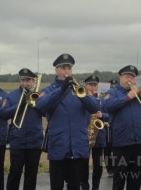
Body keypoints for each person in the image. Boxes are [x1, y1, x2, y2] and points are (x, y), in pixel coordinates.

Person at [36, 53, 100, 190]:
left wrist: (81, 94)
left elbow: (94, 107)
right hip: (58, 145)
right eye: (63, 68)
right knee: (57, 186)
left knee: (75, 186)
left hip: (78, 145)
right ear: (56, 70)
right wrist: (61, 89)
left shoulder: (80, 90)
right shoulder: (48, 90)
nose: (66, 71)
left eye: (69, 68)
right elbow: (40, 106)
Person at [103, 65, 141, 190]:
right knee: (120, 177)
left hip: (138, 140)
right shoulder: (112, 92)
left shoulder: (138, 93)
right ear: (120, 78)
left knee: (136, 176)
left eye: (132, 77)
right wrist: (128, 97)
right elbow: (107, 106)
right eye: (127, 77)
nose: (130, 80)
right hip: (121, 142)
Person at [0, 68, 43, 190]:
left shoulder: (39, 95)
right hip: (17, 140)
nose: (25, 83)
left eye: (28, 80)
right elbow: (3, 113)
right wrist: (21, 104)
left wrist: (38, 101)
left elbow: (46, 113)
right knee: (14, 173)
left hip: (35, 141)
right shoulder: (11, 95)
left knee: (31, 176)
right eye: (22, 80)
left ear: (33, 81)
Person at [80, 75, 108, 190]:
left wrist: (103, 116)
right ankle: (85, 186)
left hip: (98, 135)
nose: (92, 87)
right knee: (83, 164)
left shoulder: (102, 99)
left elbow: (110, 115)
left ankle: (95, 187)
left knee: (98, 166)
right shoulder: (82, 98)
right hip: (84, 134)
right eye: (90, 84)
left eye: (94, 85)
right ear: (86, 86)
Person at [104, 79, 118, 178]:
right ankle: (110, 169)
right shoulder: (105, 97)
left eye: (114, 86)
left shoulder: (117, 98)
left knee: (117, 149)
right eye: (111, 86)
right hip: (107, 127)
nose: (112, 87)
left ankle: (117, 167)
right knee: (108, 150)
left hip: (116, 126)